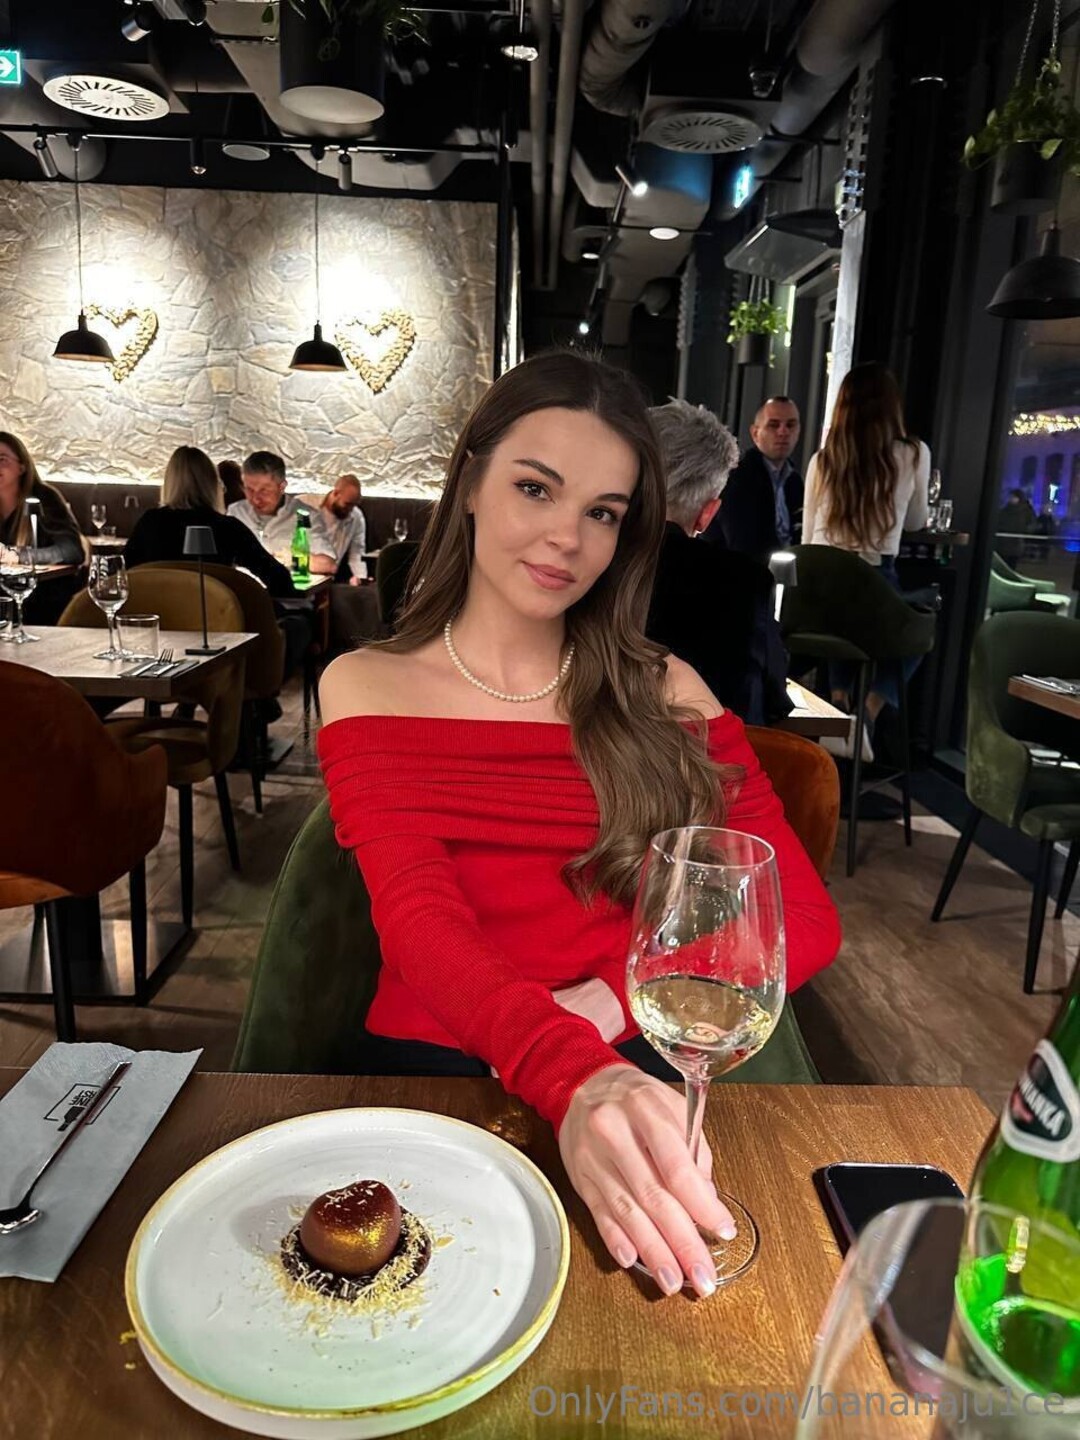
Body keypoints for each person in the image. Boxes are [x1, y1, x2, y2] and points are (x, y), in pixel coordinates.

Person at [318, 352, 840, 1300]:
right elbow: (420, 925)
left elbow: (802, 918)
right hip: (442, 1057)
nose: (567, 537)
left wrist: (607, 1005)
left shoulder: (667, 688)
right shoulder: (363, 685)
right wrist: (569, 1069)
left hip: (630, 1049)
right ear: (470, 483)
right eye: (535, 488)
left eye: (603, 512)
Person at [801, 361, 930, 740]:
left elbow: (808, 540)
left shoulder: (823, 459)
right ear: (891, 406)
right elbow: (916, 521)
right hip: (875, 582)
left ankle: (838, 702)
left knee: (840, 609)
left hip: (820, 595)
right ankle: (869, 712)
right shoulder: (913, 454)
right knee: (920, 631)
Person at [646, 399, 792, 725]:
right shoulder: (747, 581)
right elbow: (774, 697)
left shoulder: (594, 562)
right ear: (708, 513)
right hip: (712, 753)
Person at [124, 445, 296, 597]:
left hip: (155, 618)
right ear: (213, 483)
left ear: (168, 484)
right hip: (217, 620)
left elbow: (123, 575)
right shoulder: (227, 527)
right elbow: (281, 580)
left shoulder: (150, 522)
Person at [701, 397, 803, 564]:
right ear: (755, 433)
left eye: (791, 425)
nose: (783, 432)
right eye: (773, 425)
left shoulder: (795, 481)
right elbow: (742, 546)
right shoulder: (737, 477)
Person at [0, 432, 84, 566]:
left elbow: (71, 551)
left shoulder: (44, 497)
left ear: (22, 467)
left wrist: (20, 557)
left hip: (43, 579)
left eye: (2, 459)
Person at [228, 451, 326, 565]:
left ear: (282, 487)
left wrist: (295, 559)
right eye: (249, 489)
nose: (255, 499)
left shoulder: (306, 516)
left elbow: (328, 564)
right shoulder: (236, 511)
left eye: (264, 491)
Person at [303, 474, 368, 584]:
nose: (350, 510)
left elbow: (357, 552)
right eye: (347, 504)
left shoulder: (356, 517)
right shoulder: (305, 504)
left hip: (328, 580)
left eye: (354, 505)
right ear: (336, 493)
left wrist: (360, 578)